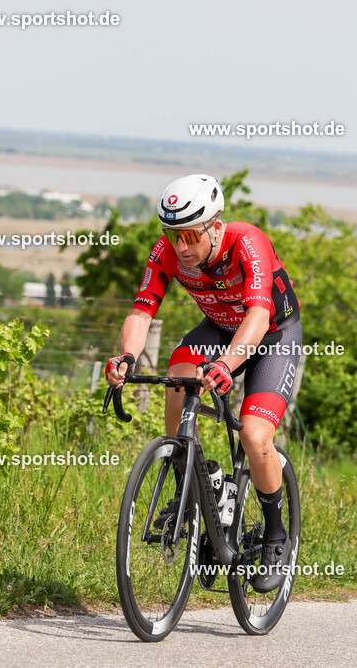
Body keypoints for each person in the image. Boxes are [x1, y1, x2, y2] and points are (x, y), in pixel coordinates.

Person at [105, 174, 302, 593]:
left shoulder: (247, 241)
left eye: (190, 235)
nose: (181, 247)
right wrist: (126, 357)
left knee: (254, 434)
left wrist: (228, 365)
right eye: (172, 235)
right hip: (217, 329)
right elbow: (141, 313)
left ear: (215, 225)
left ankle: (275, 534)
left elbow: (257, 318)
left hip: (271, 336)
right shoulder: (168, 253)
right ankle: (191, 484)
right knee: (177, 377)